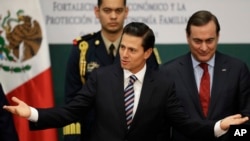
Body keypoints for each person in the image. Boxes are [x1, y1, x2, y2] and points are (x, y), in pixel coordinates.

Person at [3, 22, 249, 141]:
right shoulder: (100, 78)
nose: (124, 54)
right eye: (123, 48)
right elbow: (70, 112)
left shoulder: (163, 83)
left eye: (132, 50)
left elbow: (187, 124)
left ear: (147, 53)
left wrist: (220, 126)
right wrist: (32, 113)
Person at [63, 0, 160, 140]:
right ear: (97, 12)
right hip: (92, 134)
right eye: (107, 10)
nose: (113, 16)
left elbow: (153, 100)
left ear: (126, 12)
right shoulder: (82, 49)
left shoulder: (143, 50)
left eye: (118, 11)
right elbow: (72, 102)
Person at [160, 10, 250, 141]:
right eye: (197, 41)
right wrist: (218, 127)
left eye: (209, 40)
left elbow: (246, 121)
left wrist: (230, 135)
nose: (203, 48)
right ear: (187, 37)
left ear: (218, 36)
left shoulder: (237, 69)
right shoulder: (168, 72)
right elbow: (162, 125)